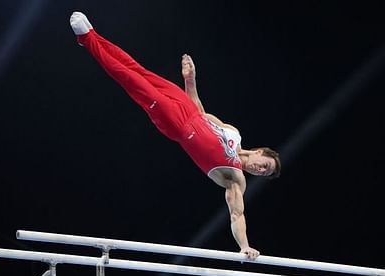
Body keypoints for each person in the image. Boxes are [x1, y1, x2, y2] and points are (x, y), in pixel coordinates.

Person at [69, 12, 281, 260]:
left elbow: (237, 214)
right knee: (138, 70)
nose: (259, 170)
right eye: (265, 165)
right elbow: (202, 112)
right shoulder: (234, 132)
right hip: (187, 107)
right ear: (260, 152)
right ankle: (93, 37)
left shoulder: (235, 178)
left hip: (179, 126)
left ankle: (87, 38)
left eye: (263, 173)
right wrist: (190, 81)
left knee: (130, 80)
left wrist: (244, 246)